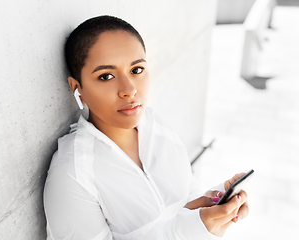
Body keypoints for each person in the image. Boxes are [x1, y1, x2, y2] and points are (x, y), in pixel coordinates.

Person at [43, 15, 249, 240]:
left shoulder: (155, 126)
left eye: (136, 70)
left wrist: (211, 205)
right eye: (107, 76)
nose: (129, 90)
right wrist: (189, 231)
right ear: (77, 88)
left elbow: (184, 197)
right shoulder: (74, 172)